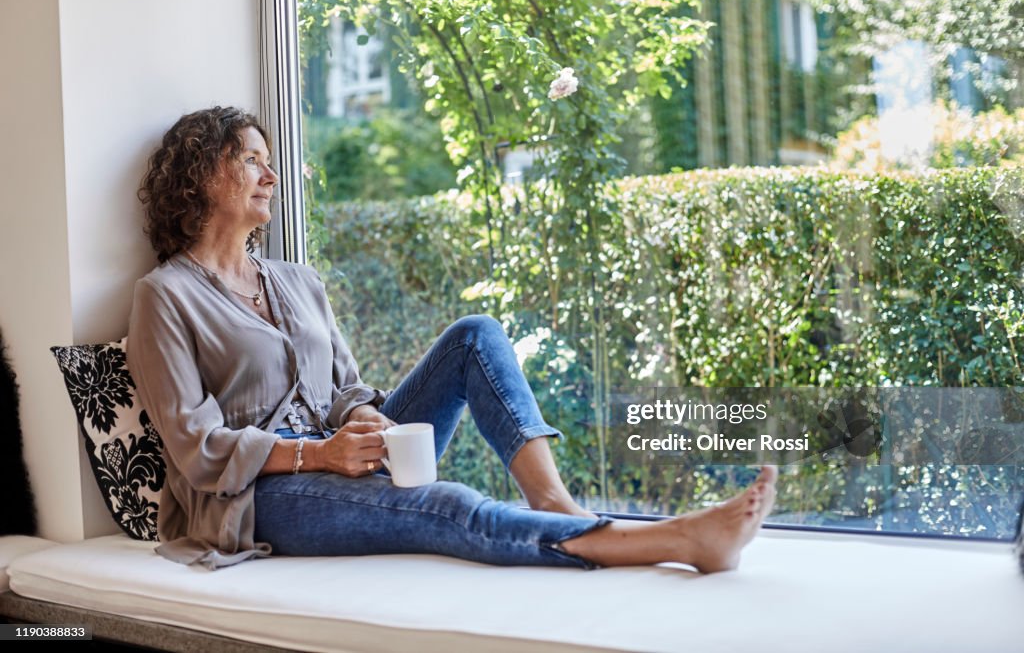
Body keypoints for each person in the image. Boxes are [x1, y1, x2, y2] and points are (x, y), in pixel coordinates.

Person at [127, 106, 777, 572]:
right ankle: (674, 542)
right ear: (202, 175)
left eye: (271, 164)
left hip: (341, 453)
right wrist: (319, 456)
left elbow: (348, 389)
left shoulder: (298, 280)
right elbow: (196, 448)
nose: (270, 177)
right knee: (450, 506)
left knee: (475, 336)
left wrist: (364, 422)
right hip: (261, 497)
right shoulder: (166, 296)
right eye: (251, 161)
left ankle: (553, 503)